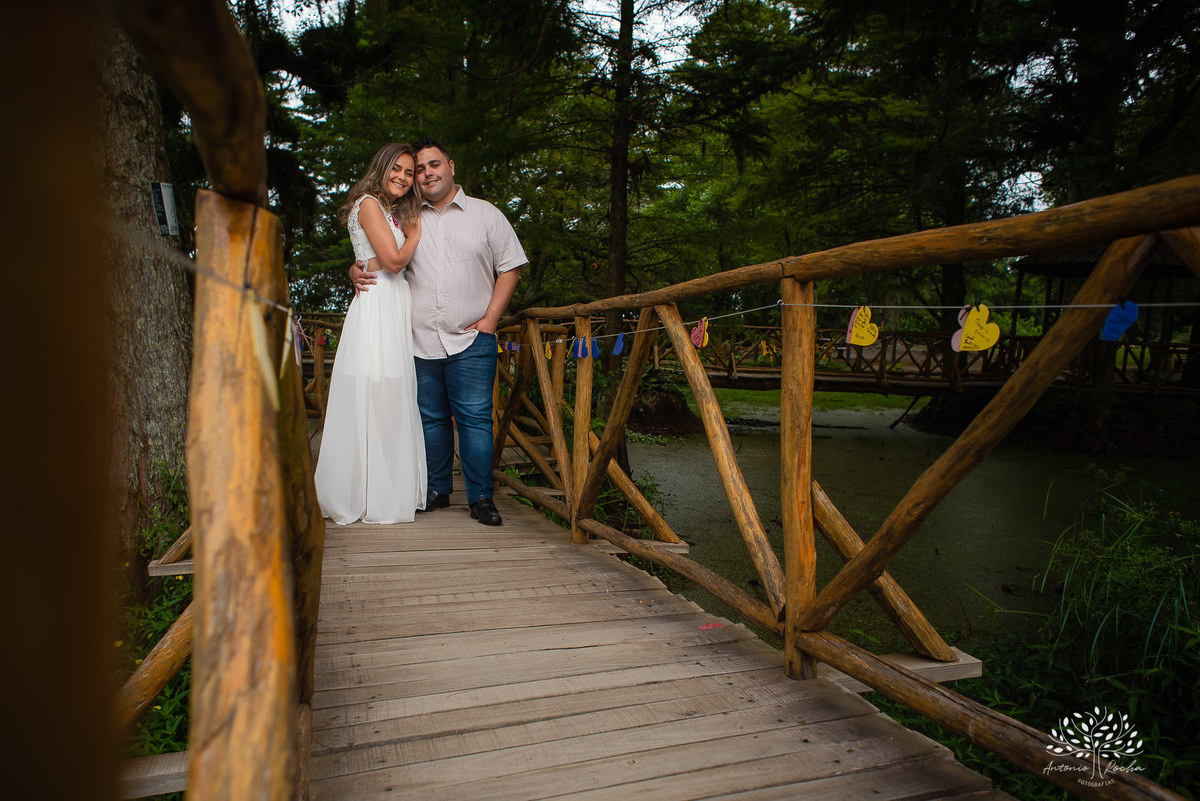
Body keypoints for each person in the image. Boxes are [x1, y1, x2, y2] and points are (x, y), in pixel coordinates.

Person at [352, 137, 526, 526]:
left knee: (476, 419)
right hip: (417, 339)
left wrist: (491, 321)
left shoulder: (486, 214)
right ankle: (437, 490)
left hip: (471, 337)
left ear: (450, 166)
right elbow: (383, 256)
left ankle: (481, 498)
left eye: (433, 165)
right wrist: (356, 268)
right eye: (420, 169)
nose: (427, 174)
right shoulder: (405, 216)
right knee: (429, 419)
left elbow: (511, 267)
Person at [315, 143, 428, 524]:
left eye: (409, 172)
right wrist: (413, 234)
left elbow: (375, 257)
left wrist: (359, 264)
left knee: (388, 397)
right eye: (396, 168)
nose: (402, 176)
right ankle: (369, 494)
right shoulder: (369, 203)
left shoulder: (390, 212)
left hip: (390, 304)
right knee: (377, 395)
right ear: (380, 168)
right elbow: (394, 263)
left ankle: (381, 488)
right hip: (379, 305)